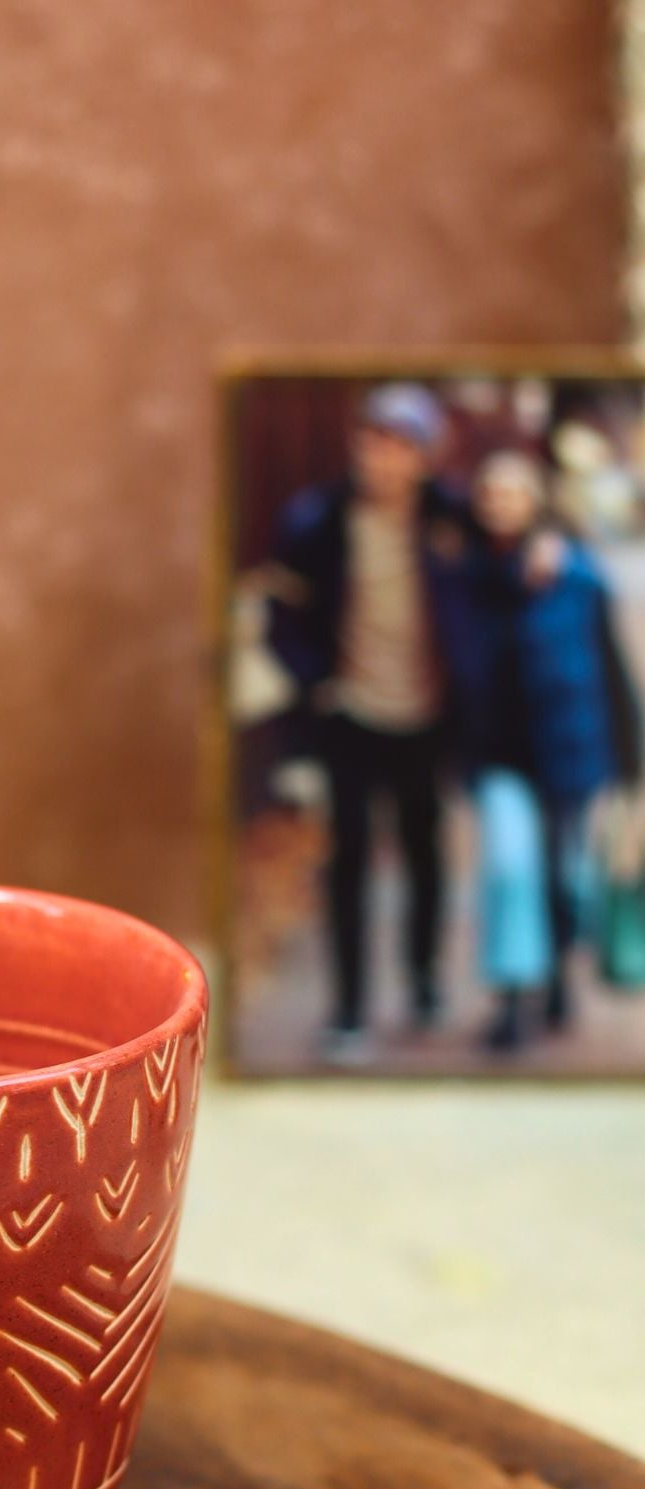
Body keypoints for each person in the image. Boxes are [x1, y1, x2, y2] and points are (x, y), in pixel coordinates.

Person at [265, 383, 467, 1063]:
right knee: (347, 862)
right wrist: (315, 682)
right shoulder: (317, 520)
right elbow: (281, 612)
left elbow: (509, 561)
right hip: (349, 714)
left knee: (425, 856)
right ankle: (348, 1008)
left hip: (427, 717)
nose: (382, 457)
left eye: (400, 445)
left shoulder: (450, 518)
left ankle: (424, 983)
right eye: (372, 440)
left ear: (425, 457)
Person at [430, 451, 642, 1050]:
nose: (500, 504)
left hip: (568, 751)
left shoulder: (577, 576)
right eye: (490, 493)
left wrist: (631, 761)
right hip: (498, 754)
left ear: (537, 501)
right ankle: (513, 1000)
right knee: (509, 869)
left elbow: (610, 665)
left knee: (563, 878)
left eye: (514, 492)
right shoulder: (462, 577)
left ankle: (556, 976)